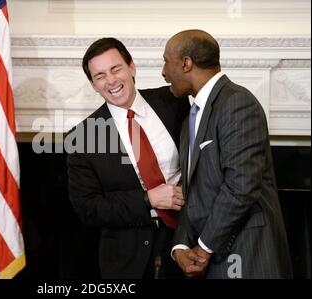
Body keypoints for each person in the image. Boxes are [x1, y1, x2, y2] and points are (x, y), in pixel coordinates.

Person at [162, 29, 293, 278]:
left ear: (186, 63)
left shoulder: (237, 103)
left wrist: (202, 248)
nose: (164, 72)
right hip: (211, 258)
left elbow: (241, 187)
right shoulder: (192, 116)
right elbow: (192, 191)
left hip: (248, 254)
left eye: (167, 61)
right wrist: (180, 246)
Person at [66, 37, 190, 278]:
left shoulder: (174, 102)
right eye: (100, 76)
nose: (111, 80)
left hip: (185, 238)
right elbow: (88, 208)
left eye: (116, 69)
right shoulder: (82, 137)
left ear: (131, 67)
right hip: (126, 259)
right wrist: (148, 199)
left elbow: (203, 161)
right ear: (93, 84)